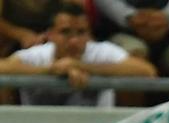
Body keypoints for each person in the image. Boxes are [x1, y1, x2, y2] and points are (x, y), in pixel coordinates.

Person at [0, 2, 156, 106]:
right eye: (65, 32)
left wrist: (84, 67)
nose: (74, 41)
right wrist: (50, 70)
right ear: (50, 34)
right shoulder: (38, 55)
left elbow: (147, 71)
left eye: (81, 32)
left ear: (90, 34)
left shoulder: (101, 51)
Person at [92, 0, 169, 77]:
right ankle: (130, 111)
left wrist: (167, 18)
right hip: (122, 29)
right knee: (132, 57)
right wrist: (129, 17)